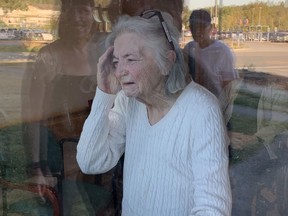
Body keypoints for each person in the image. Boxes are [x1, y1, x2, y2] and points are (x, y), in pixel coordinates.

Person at [77, 10, 231, 215]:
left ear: (166, 62)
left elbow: (212, 208)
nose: (120, 70)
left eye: (130, 59)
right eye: (116, 61)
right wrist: (103, 93)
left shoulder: (201, 109)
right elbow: (90, 162)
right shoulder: (129, 100)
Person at [21, 0, 105, 214]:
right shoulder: (48, 57)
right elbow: (33, 117)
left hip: (98, 157)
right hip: (59, 161)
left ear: (92, 14)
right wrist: (37, 167)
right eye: (70, 11)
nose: (77, 18)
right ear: (62, 16)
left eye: (83, 11)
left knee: (106, 211)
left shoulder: (102, 55)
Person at [183, 9, 239, 126]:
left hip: (215, 111)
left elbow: (228, 89)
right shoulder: (189, 49)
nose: (198, 31)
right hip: (194, 110)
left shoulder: (222, 51)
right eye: (194, 27)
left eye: (202, 27)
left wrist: (220, 115)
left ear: (211, 27)